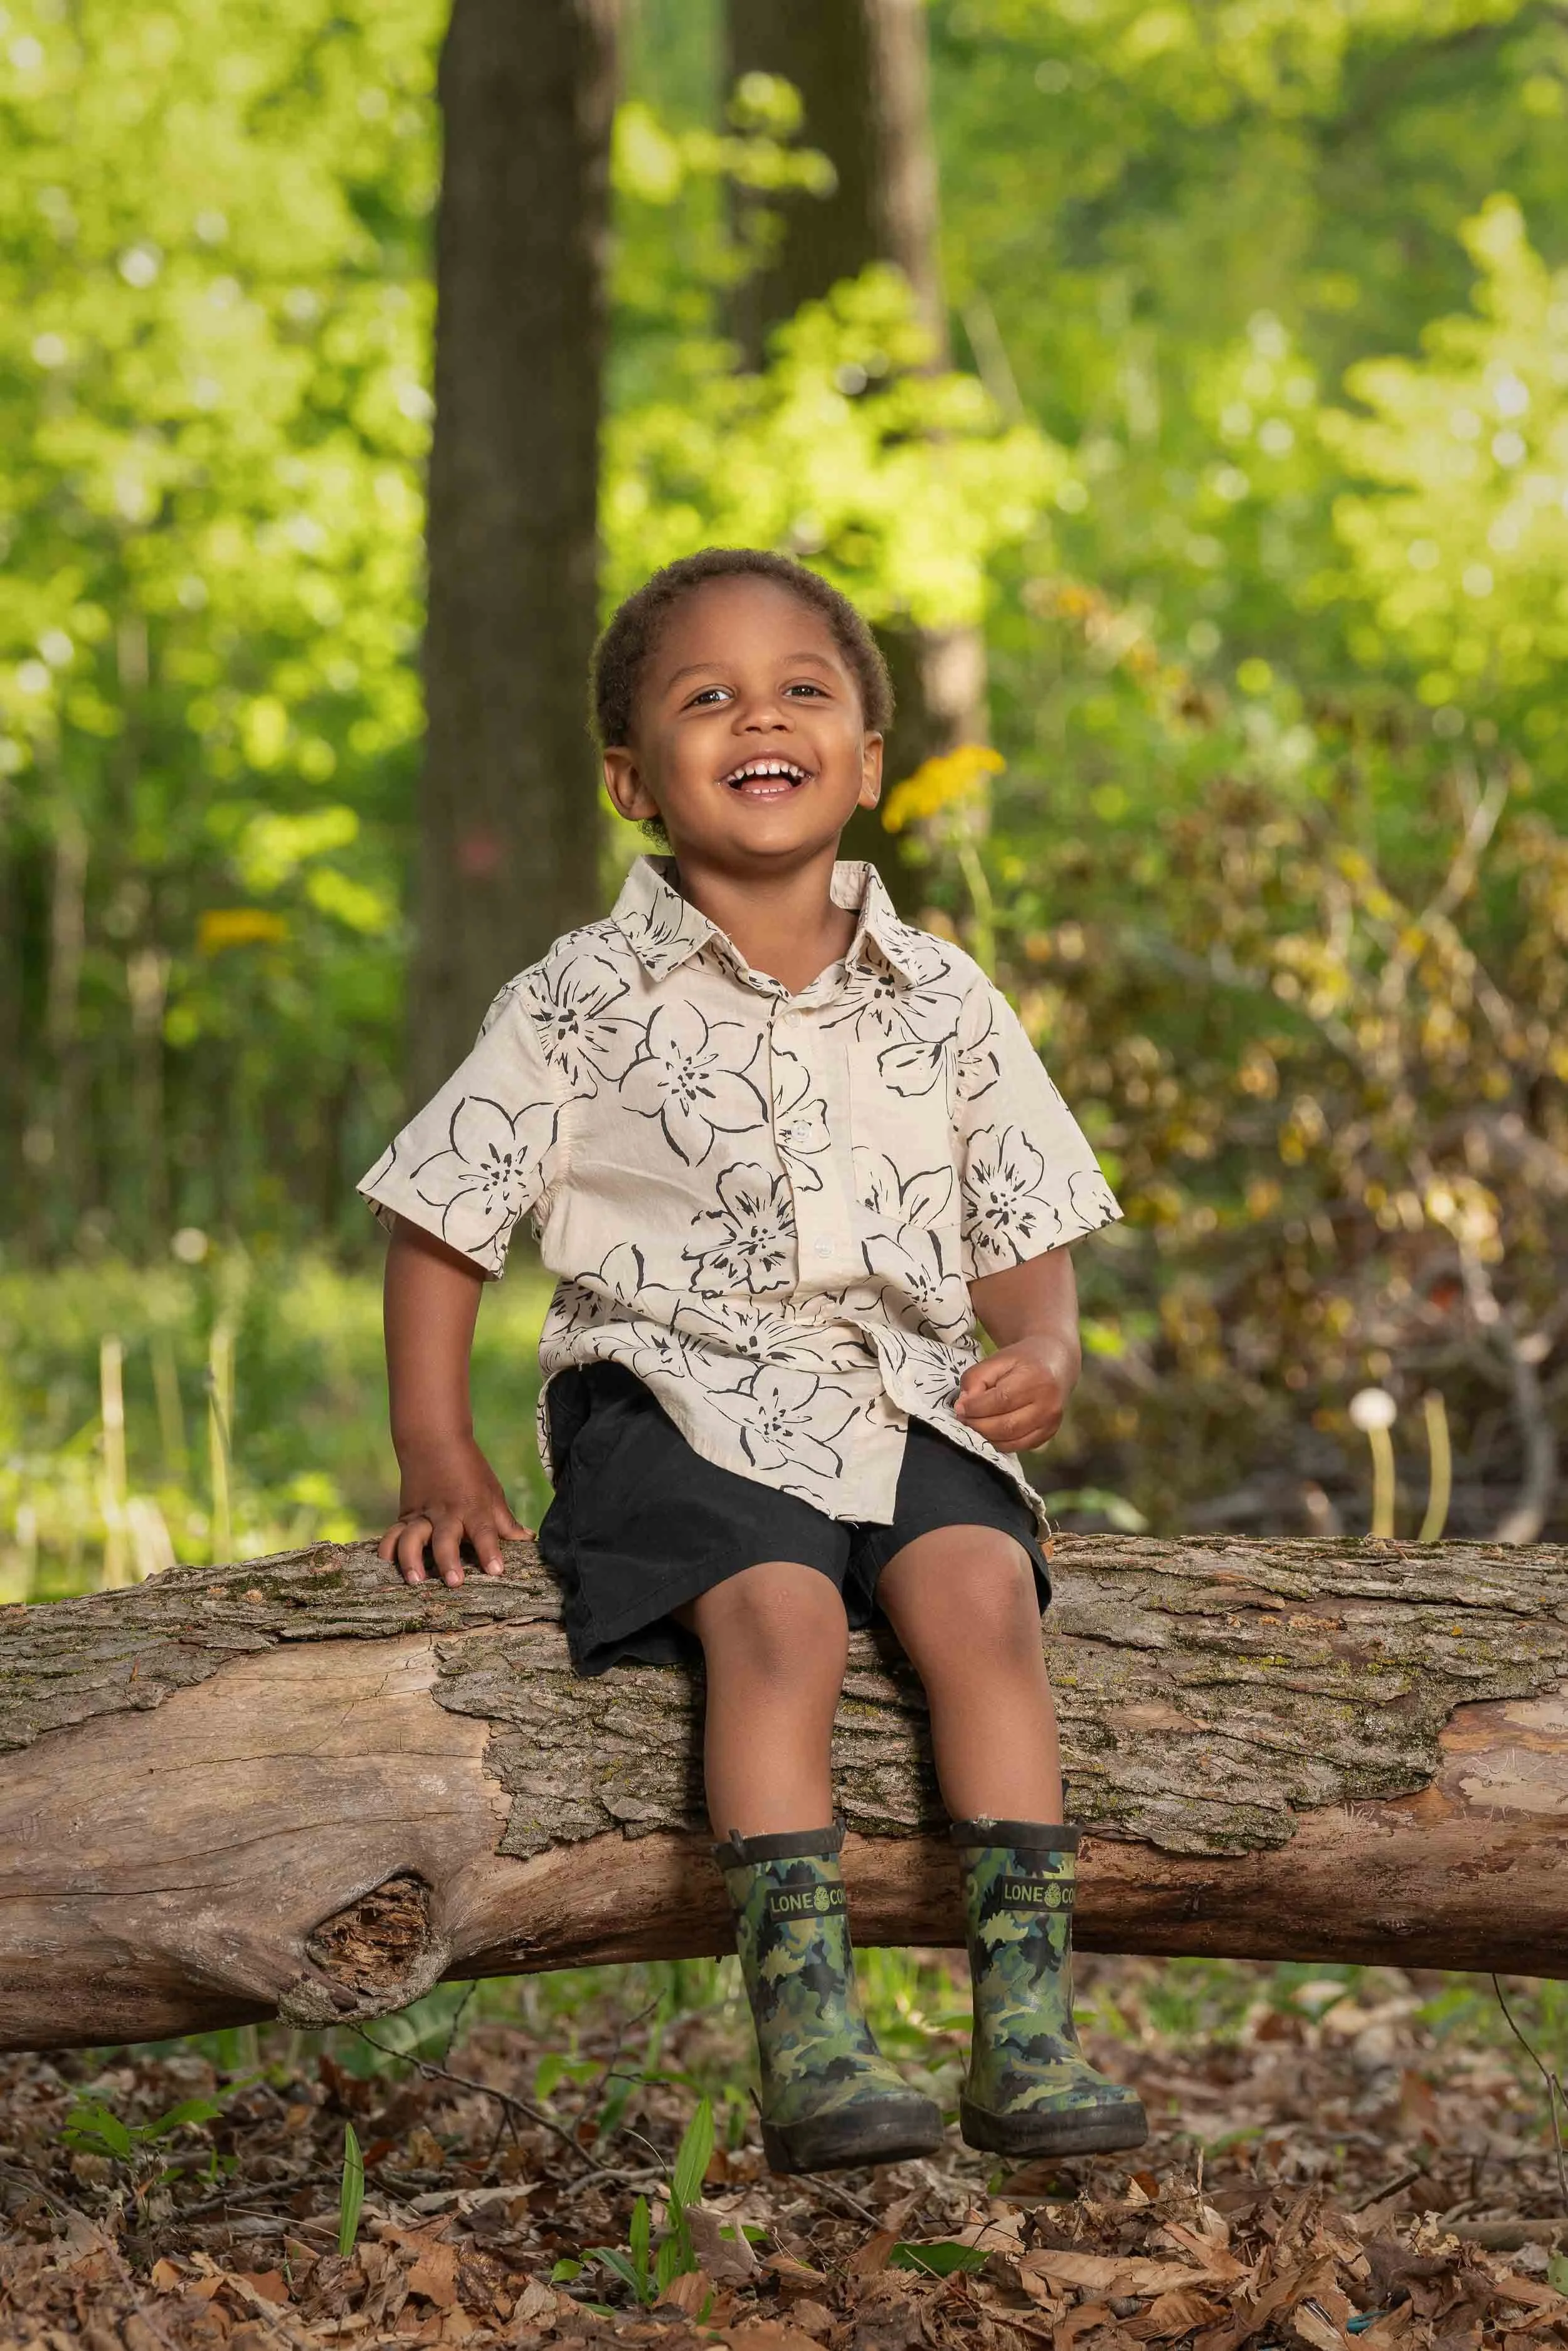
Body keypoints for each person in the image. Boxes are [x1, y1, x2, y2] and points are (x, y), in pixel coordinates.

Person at [361, 546, 1145, 2175]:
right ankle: (808, 2022)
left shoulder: (943, 997)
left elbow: (1018, 1211)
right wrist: (435, 1447)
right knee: (777, 1621)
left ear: (867, 759)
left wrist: (1042, 1345)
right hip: (669, 1385)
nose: (757, 716)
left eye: (802, 689)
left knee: (981, 1599)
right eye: (704, 695)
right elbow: (444, 1215)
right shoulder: (581, 994)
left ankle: (1028, 2025)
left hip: (897, 1383)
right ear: (631, 777)